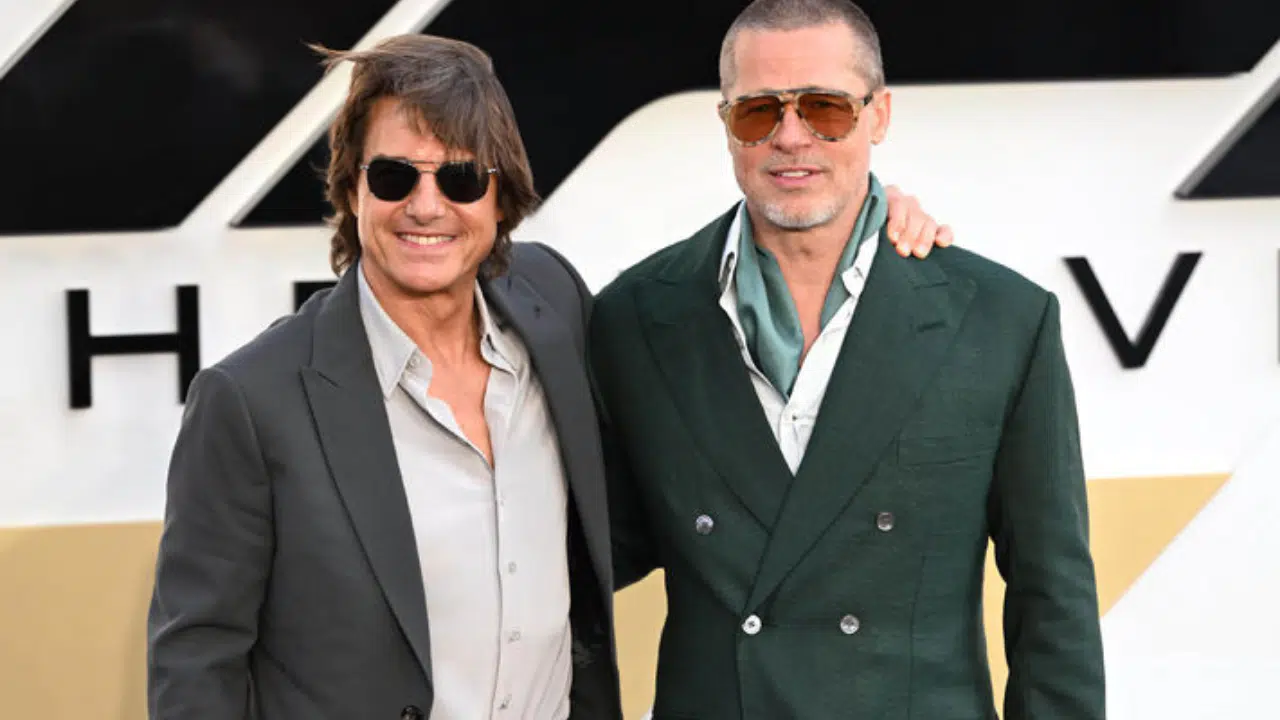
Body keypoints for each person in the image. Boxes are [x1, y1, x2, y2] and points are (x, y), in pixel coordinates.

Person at [145, 32, 950, 720]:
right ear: (352, 186)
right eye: (393, 176)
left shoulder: (553, 306)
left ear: (502, 197)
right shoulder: (251, 402)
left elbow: (684, 398)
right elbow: (196, 664)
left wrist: (868, 221)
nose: (426, 206)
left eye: (461, 178)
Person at [588, 1, 1106, 719]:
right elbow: (592, 556)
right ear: (726, 124)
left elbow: (1054, 597)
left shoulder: (1000, 318)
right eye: (758, 112)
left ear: (878, 115)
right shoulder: (635, 316)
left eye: (826, 109)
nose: (790, 137)